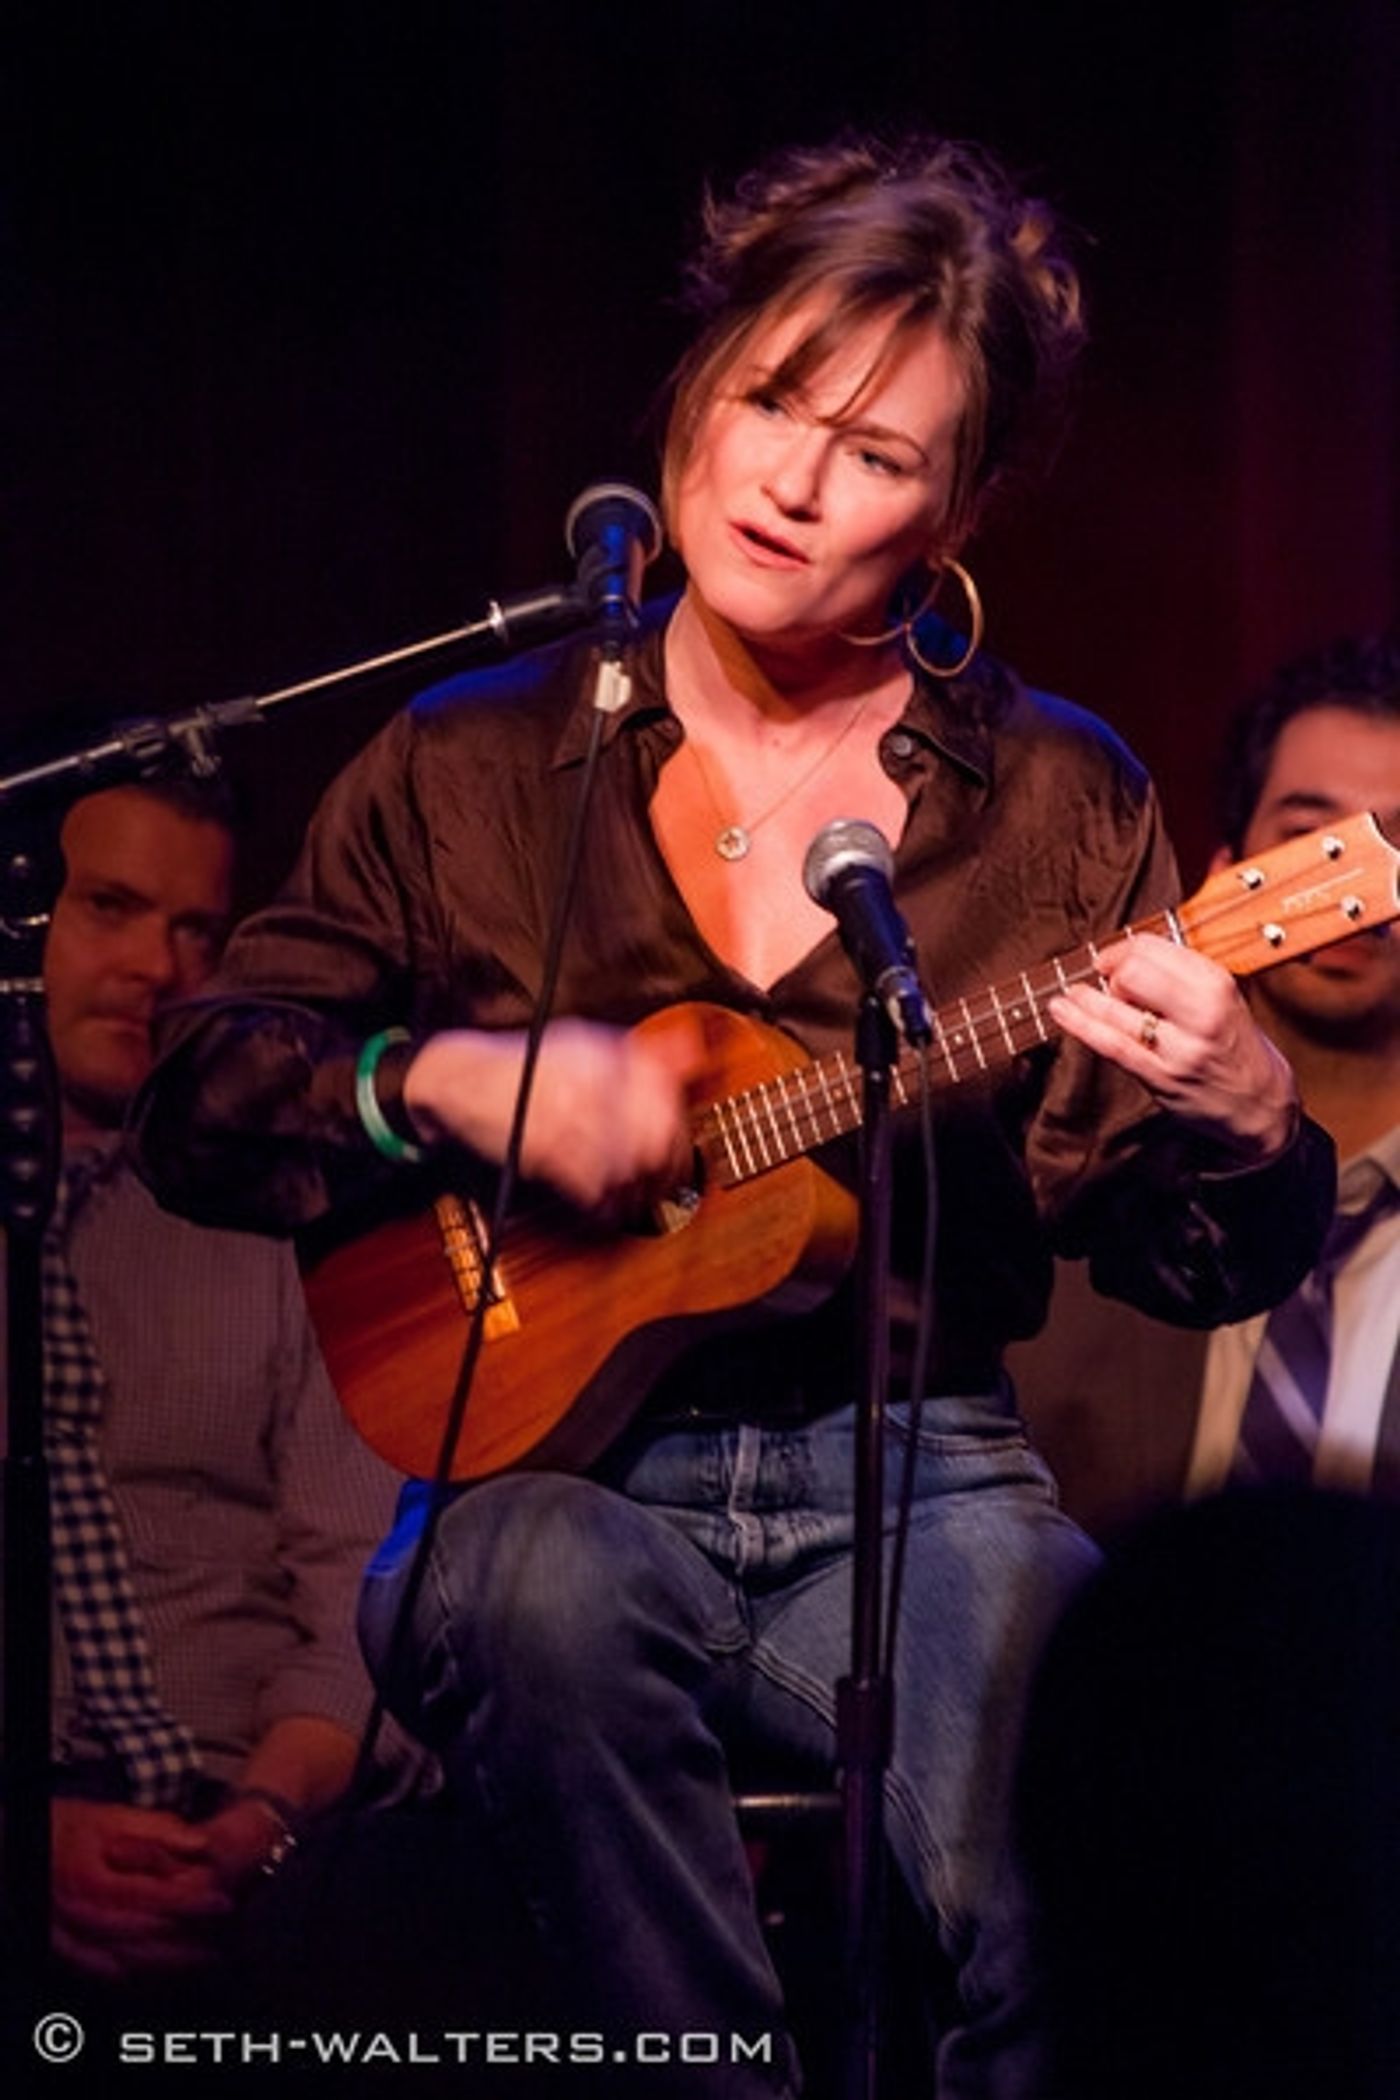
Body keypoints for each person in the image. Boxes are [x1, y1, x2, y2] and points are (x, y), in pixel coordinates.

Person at [131, 134, 1333, 2098]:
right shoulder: (476, 755)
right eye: (771, 399)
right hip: (546, 1472)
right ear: (699, 378)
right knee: (518, 1588)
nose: (786, 482)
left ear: (960, 505)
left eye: (875, 455)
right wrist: (436, 1078)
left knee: (1072, 1865)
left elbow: (1179, 1253)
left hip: (921, 1474)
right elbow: (204, 1090)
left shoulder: (1046, 798)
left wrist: (1248, 1103)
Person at [2, 778, 415, 2000]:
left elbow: (363, 1570)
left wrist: (259, 1827)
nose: (157, 966)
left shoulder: (276, 1214)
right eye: (111, 909)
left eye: (197, 931)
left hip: (271, 1830)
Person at [1007, 634, 1400, 1530]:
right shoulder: (1085, 1168)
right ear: (1231, 877)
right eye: (1311, 841)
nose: (1360, 892)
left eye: (1395, 850)